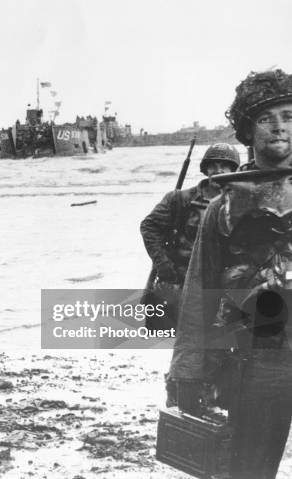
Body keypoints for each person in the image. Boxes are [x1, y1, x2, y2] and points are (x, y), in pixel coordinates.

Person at [170, 69, 292, 479]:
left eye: (289, 115)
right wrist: (187, 369)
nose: (278, 126)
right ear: (246, 130)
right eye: (265, 118)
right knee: (249, 470)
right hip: (258, 360)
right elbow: (199, 289)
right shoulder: (224, 205)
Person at [141, 144, 239, 406]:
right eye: (213, 165)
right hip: (184, 279)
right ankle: (178, 394)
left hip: (221, 282)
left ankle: (209, 394)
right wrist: (163, 265)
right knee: (188, 341)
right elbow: (149, 227)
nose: (218, 170)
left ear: (234, 170)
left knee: (219, 339)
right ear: (205, 169)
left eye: (225, 166)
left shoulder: (238, 202)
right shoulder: (180, 200)